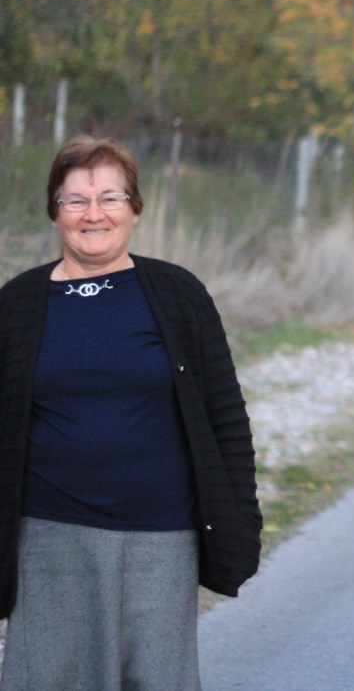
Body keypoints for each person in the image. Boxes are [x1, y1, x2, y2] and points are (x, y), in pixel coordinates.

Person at [0, 135, 263, 689]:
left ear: (135, 209)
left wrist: (239, 520)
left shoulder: (178, 294)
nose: (93, 214)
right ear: (54, 212)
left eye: (110, 198)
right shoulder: (17, 304)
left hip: (161, 538)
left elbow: (226, 422)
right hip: (47, 538)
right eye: (76, 200)